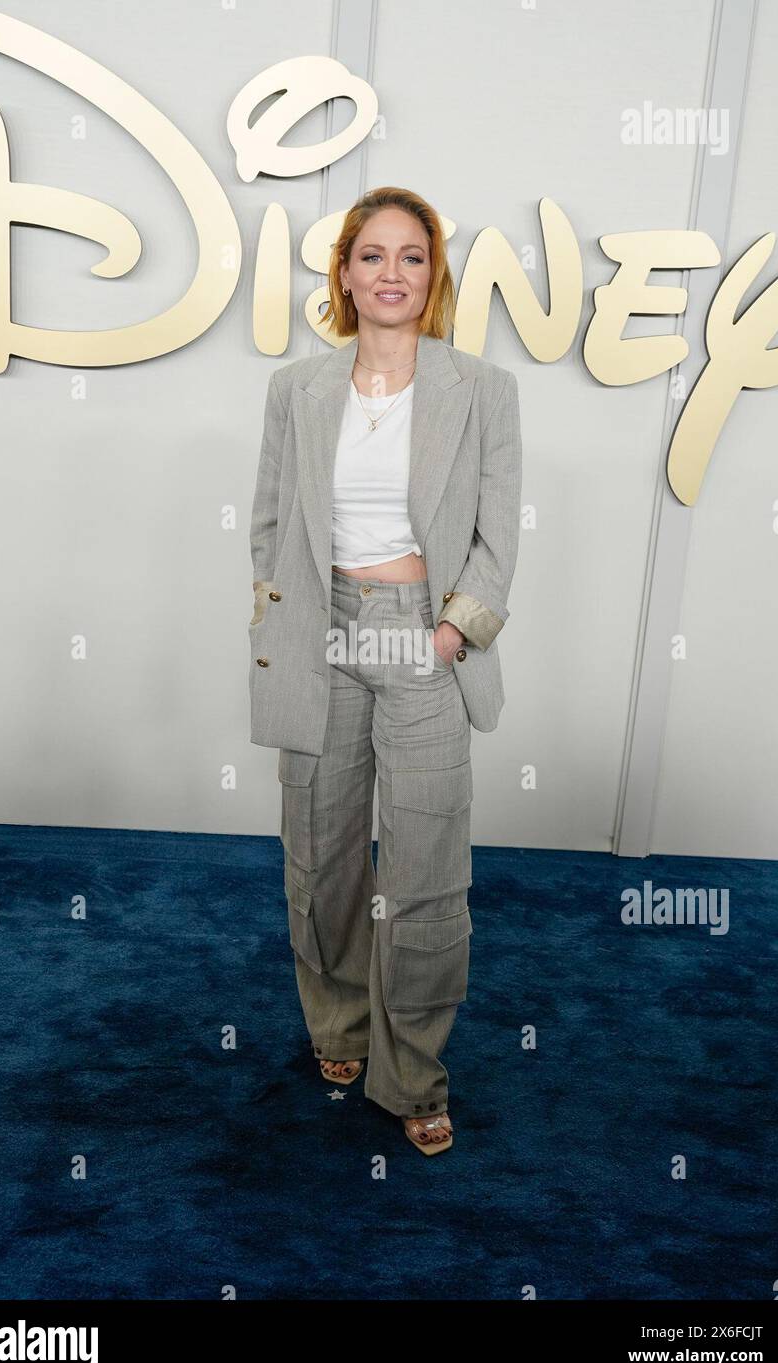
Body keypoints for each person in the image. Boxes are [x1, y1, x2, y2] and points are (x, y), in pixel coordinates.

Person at [248, 186, 522, 1154]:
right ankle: (337, 1025)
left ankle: (411, 1072)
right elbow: (271, 523)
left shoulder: (480, 390)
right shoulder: (296, 390)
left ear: (432, 274)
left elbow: (495, 540)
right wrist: (285, 615)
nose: (390, 274)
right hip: (322, 633)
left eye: (411, 257)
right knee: (320, 857)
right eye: (372, 256)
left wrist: (447, 637)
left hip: (422, 638)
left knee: (423, 874)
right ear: (345, 274)